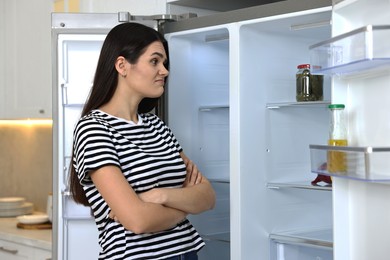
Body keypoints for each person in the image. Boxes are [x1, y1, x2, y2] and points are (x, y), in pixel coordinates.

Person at [69, 22, 216, 260]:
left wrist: (160, 196)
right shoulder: (94, 129)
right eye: (155, 61)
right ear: (122, 65)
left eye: (164, 63)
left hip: (186, 254)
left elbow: (208, 197)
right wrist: (185, 206)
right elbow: (138, 221)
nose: (165, 71)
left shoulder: (156, 126)